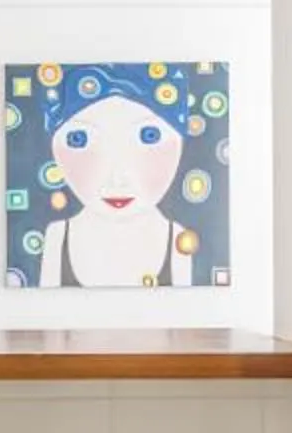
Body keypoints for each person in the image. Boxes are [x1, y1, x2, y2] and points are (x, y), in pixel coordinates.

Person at [35, 64, 194, 288]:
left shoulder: (178, 239)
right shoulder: (56, 238)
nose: (117, 177)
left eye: (149, 136)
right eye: (79, 139)